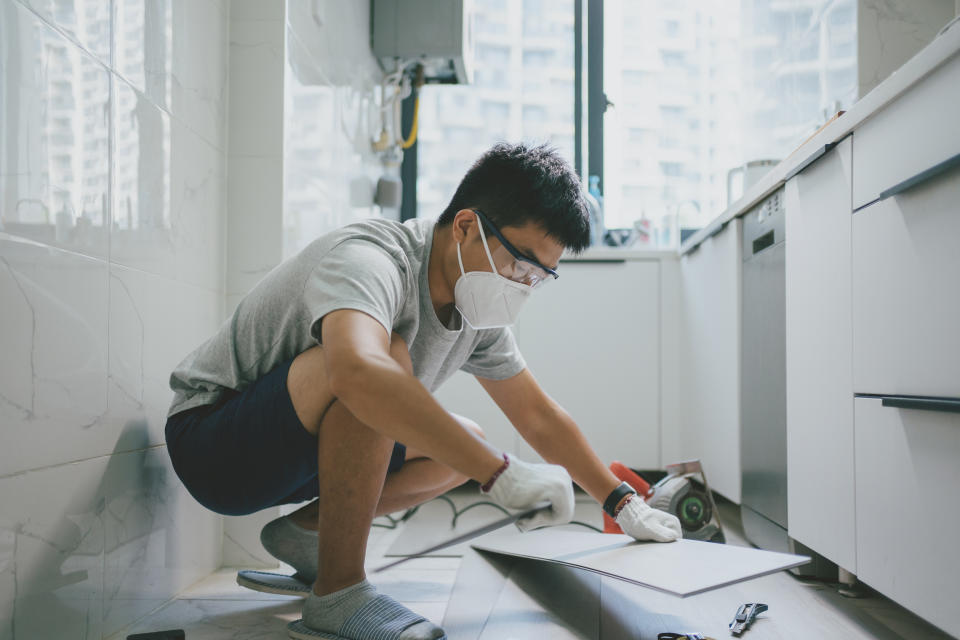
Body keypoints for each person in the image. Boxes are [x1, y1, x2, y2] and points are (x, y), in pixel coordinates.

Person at [164, 143, 682, 640]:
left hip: (287, 452)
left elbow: (537, 415)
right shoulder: (372, 260)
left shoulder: (475, 310)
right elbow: (357, 374)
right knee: (385, 360)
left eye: (538, 275)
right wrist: (498, 472)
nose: (522, 284)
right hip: (213, 444)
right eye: (520, 262)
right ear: (465, 225)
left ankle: (309, 538)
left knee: (460, 443)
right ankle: (338, 594)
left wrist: (622, 503)